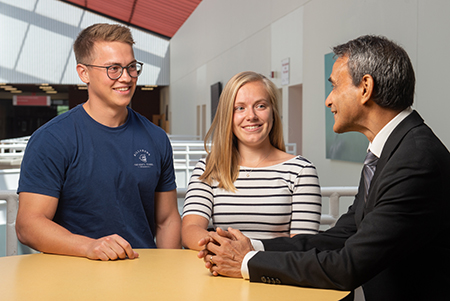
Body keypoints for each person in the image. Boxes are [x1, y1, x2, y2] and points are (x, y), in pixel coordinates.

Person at [197, 35, 450, 300]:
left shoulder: (416, 162)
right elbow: (341, 236)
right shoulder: (392, 152)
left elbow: (347, 266)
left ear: (365, 88)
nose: (328, 100)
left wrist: (247, 263)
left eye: (335, 87)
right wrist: (255, 247)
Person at [15, 23, 181, 261]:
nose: (126, 78)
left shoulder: (155, 138)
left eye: (131, 67)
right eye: (113, 68)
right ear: (83, 73)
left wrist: (169, 272)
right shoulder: (52, 139)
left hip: (143, 276)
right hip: (75, 279)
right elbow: (28, 225)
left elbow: (167, 220)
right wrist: (89, 247)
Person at [181, 71, 322, 251]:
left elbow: (302, 246)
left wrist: (243, 253)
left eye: (261, 106)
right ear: (228, 116)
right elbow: (190, 230)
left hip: (277, 275)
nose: (251, 116)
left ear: (273, 113)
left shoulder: (301, 171)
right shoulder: (209, 168)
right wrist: (221, 249)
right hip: (220, 272)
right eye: (240, 108)